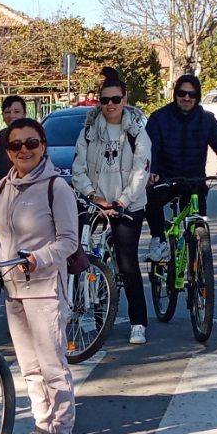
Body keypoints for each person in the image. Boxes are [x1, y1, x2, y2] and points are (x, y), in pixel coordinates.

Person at [0, 117, 81, 434]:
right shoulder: (4, 186)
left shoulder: (56, 187)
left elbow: (69, 241)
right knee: (30, 369)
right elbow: (2, 237)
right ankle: (43, 429)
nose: (24, 151)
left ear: (43, 146)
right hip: (13, 289)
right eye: (16, 145)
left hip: (44, 289)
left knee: (52, 367)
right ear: (8, 151)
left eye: (31, 143)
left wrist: (37, 259)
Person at [72, 67, 152, 345]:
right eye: (104, 100)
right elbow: (78, 169)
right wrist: (94, 197)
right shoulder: (88, 131)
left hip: (127, 205)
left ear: (124, 99)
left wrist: (121, 202)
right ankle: (85, 310)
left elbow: (141, 171)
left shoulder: (137, 132)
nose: (110, 105)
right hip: (95, 202)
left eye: (115, 99)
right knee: (80, 255)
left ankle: (138, 322)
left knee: (127, 263)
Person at [144, 73, 217, 257]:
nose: (186, 98)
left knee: (198, 225)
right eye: (182, 93)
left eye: (192, 94)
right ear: (175, 94)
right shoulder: (159, 118)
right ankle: (158, 239)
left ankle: (199, 263)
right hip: (166, 179)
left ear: (198, 97)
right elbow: (150, 148)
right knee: (151, 200)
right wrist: (151, 171)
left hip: (194, 181)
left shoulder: (206, 120)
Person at [0, 94, 27, 177]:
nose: (12, 116)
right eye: (7, 112)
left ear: (24, 114)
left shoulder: (33, 136)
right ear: (2, 115)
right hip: (3, 183)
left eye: (16, 112)